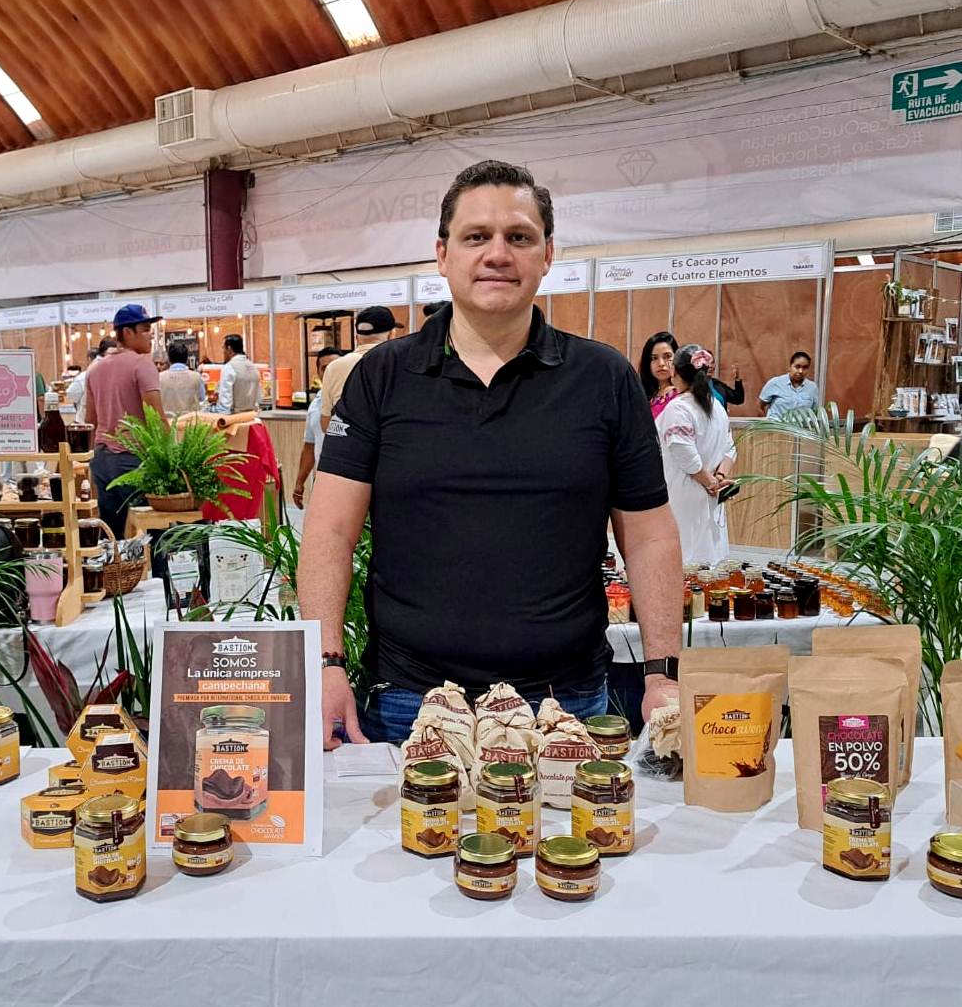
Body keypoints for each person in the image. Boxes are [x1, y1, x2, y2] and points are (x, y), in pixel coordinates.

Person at [304, 159, 681, 747]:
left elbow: (650, 535)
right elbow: (329, 531)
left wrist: (662, 673)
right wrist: (326, 663)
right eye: (476, 236)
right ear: (443, 254)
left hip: (565, 706)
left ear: (547, 254)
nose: (497, 254)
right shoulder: (382, 377)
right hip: (409, 704)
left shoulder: (603, 378)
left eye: (519, 237)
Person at [86, 306, 165, 535]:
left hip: (102, 460)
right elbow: (156, 418)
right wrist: (171, 460)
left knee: (113, 533)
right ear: (127, 332)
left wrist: (88, 463)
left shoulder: (95, 369)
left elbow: (90, 421)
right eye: (145, 329)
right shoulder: (142, 364)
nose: (150, 335)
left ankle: (116, 561)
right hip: (133, 459)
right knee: (153, 530)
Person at [656, 345, 736, 565]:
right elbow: (730, 449)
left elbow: (686, 456)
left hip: (682, 495)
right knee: (707, 559)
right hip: (709, 494)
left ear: (675, 371)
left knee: (683, 558)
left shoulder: (678, 408)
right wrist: (719, 478)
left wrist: (710, 482)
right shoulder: (717, 407)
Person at [317, 306, 402, 434]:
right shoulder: (401, 364)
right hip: (390, 442)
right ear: (391, 335)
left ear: (357, 338)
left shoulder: (334, 367)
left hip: (348, 443)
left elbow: (326, 423)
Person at [293, 347, 344, 508]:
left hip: (351, 479)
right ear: (318, 372)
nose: (329, 372)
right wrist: (299, 482)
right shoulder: (315, 404)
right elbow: (310, 446)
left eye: (334, 366)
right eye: (324, 368)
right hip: (322, 478)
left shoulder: (357, 398)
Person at [68, 339, 115, 425]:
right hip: (90, 421)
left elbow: (71, 396)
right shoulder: (96, 369)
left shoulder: (92, 369)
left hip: (91, 420)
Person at [759, 350, 818, 418]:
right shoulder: (775, 383)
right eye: (797, 366)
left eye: (805, 367)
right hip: (777, 424)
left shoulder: (812, 387)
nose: (800, 371)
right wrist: (766, 422)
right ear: (790, 366)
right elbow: (760, 406)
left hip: (801, 425)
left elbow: (814, 411)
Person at [214, 334, 260, 414]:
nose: (223, 352)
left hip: (235, 416)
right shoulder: (254, 367)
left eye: (223, 348)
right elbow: (259, 398)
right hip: (252, 415)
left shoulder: (229, 367)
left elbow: (225, 402)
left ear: (229, 349)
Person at [159, 340, 206, 418]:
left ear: (169, 359)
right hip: (191, 423)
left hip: (167, 422)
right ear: (187, 359)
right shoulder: (197, 377)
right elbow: (202, 398)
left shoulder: (159, 377)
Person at [638, 331, 679, 418]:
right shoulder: (644, 396)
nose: (661, 363)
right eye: (654, 358)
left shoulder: (682, 394)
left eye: (667, 356)